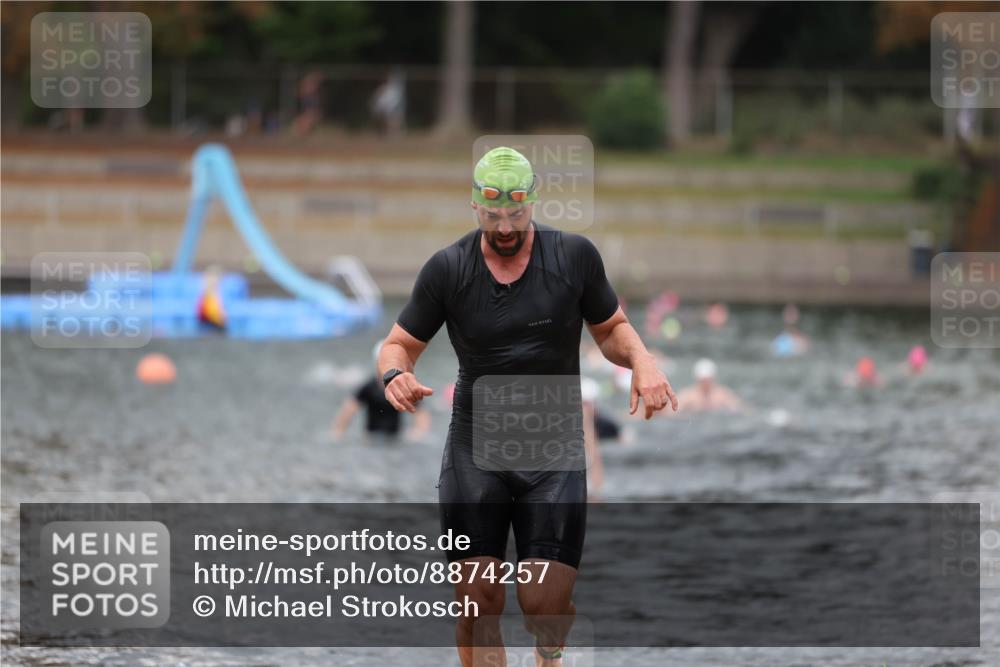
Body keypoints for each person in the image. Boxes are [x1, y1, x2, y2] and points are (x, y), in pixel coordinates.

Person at [377, 146, 677, 667]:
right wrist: (395, 373)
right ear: (475, 209)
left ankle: (550, 648)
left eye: (516, 214)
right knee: (478, 602)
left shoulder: (573, 258)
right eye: (494, 216)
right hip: (476, 447)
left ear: (532, 204)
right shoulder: (448, 269)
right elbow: (397, 343)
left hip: (553, 449)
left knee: (543, 605)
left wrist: (642, 362)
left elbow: (611, 330)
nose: (506, 226)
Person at [331, 340, 430, 441]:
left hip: (394, 439)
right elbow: (350, 408)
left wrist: (419, 432)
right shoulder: (369, 387)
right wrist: (339, 431)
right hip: (372, 437)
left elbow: (420, 410)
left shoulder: (399, 385)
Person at [675, 358, 747, 413]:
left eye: (708, 380)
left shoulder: (722, 395)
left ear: (713, 379)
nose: (706, 383)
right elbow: (672, 413)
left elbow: (741, 409)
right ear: (697, 380)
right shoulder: (688, 396)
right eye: (703, 380)